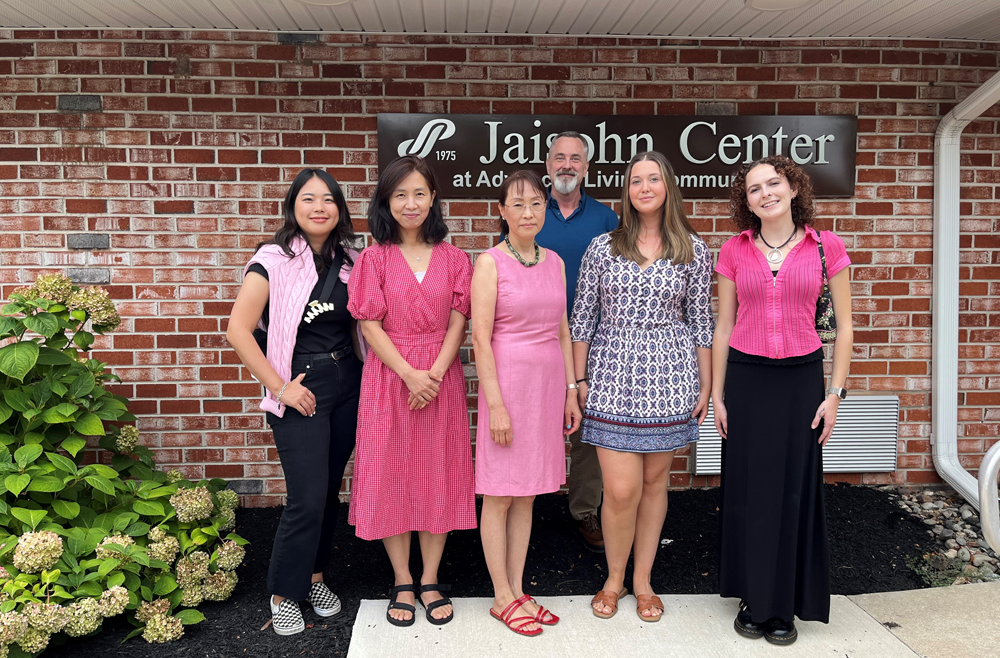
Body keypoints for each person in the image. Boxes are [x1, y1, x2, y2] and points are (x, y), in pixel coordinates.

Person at [713, 155, 853, 645]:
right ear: (745, 201)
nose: (765, 193)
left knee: (793, 487)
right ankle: (754, 598)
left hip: (800, 381)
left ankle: (784, 606)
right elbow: (724, 326)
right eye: (754, 189)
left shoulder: (825, 247)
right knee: (750, 489)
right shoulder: (734, 249)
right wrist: (718, 396)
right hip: (748, 380)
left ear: (794, 189)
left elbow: (846, 328)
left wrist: (834, 394)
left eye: (774, 183)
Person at [571, 151, 715, 622]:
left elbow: (700, 323)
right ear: (627, 190)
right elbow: (582, 322)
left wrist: (706, 386)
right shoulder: (602, 247)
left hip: (672, 379)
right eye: (637, 180)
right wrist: (578, 381)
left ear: (668, 187)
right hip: (612, 377)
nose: (645, 187)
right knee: (619, 489)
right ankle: (613, 578)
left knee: (655, 483)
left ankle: (642, 580)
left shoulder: (693, 249)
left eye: (654, 179)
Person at [227, 168, 362, 636]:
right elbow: (238, 330)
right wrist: (280, 387)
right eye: (308, 199)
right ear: (294, 207)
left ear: (340, 209)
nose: (319, 207)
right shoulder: (273, 260)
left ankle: (316, 576)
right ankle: (284, 592)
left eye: (328, 199)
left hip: (348, 381)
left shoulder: (351, 261)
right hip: (300, 386)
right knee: (305, 497)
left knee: (327, 492)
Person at [347, 155, 475, 628]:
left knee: (437, 474)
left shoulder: (454, 257)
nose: (410, 202)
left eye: (419, 192)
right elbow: (367, 321)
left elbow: (460, 318)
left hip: (439, 378)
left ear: (434, 198)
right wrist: (408, 373)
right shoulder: (374, 258)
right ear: (386, 201)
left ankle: (431, 578)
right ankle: (402, 578)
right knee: (392, 474)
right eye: (400, 194)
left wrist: (434, 374)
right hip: (388, 377)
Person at [471, 170, 583, 636]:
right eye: (517, 204)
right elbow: (479, 338)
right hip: (508, 385)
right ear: (501, 211)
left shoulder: (555, 261)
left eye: (536, 203)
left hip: (547, 385)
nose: (528, 212)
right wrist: (495, 405)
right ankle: (500, 596)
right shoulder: (490, 263)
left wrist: (570, 391)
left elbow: (562, 330)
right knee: (500, 493)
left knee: (529, 494)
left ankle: (518, 589)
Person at [537, 131, 619, 553]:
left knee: (587, 430)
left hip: (592, 342)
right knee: (534, 423)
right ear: (548, 165)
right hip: (538, 339)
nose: (566, 164)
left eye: (575, 159)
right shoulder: (530, 213)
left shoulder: (607, 219)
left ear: (586, 168)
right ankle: (523, 505)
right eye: (559, 158)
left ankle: (585, 509)